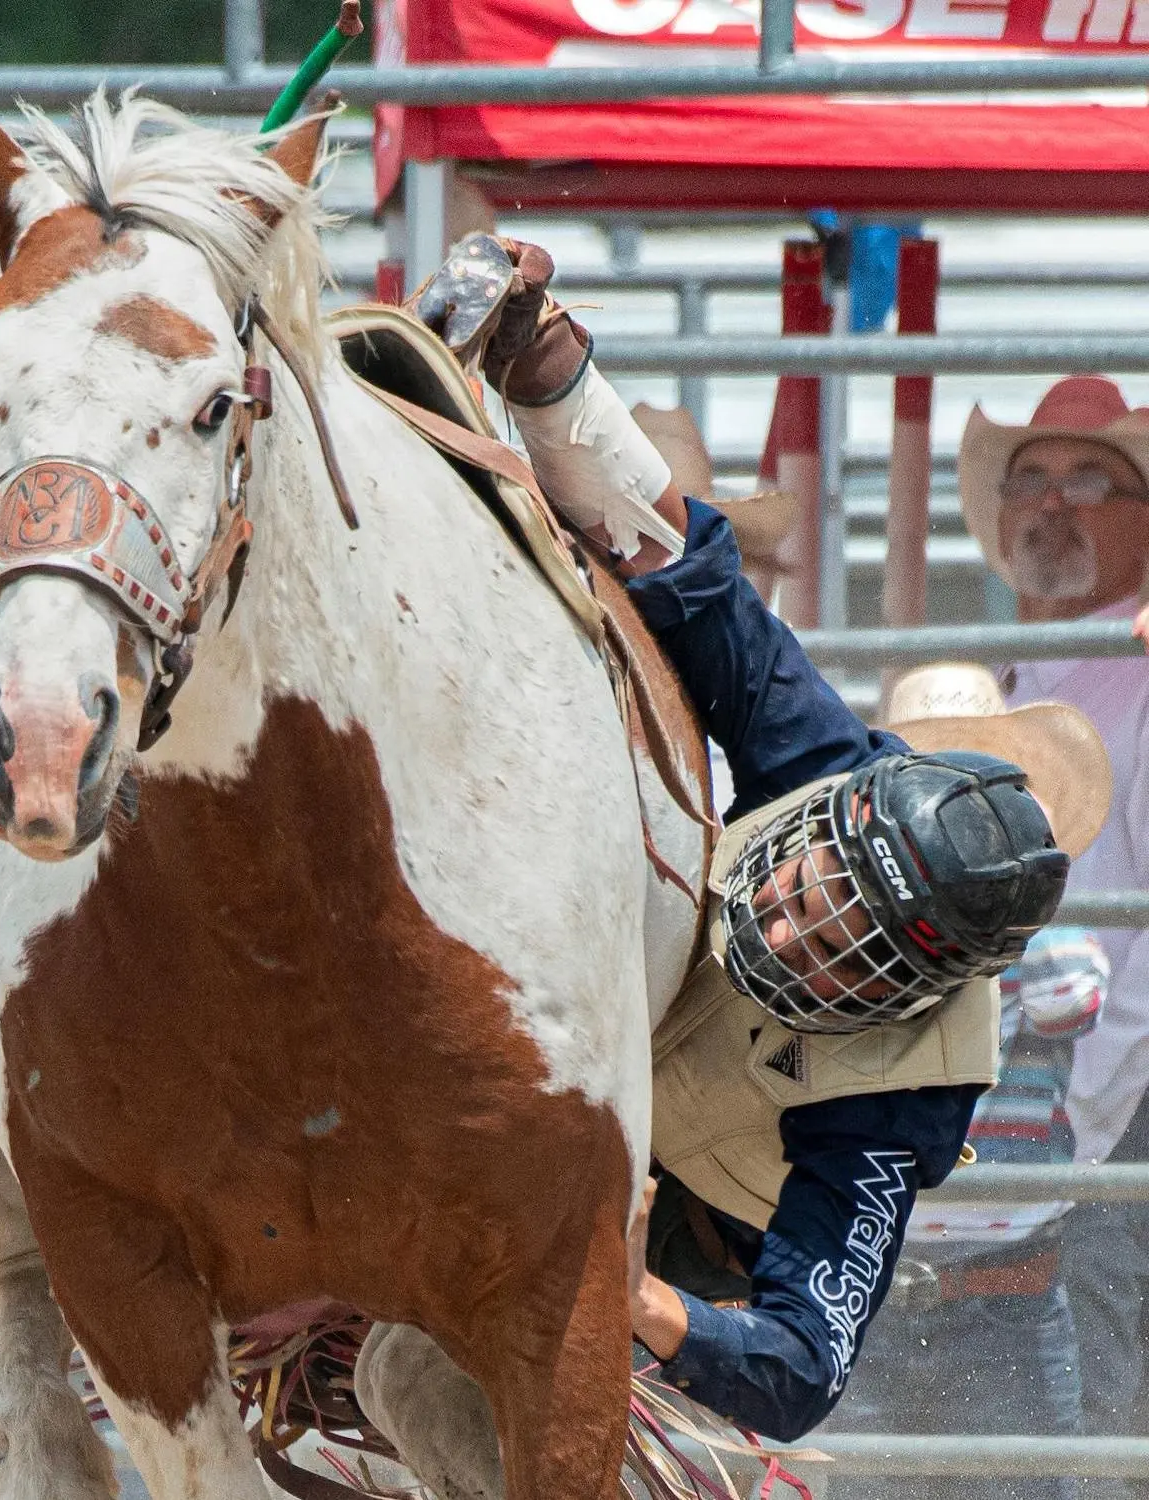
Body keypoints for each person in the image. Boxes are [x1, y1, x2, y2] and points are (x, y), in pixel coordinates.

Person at [416, 236, 1073, 1441]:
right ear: (842, 814)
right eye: (810, 886)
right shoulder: (827, 761)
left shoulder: (895, 1110)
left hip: (678, 1219)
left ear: (908, 988)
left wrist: (629, 1294)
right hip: (573, 1055)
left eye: (835, 948)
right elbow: (694, 573)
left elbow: (799, 1368)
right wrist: (549, 363)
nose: (779, 921)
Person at [821, 664, 1112, 1500]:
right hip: (879, 1282)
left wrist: (1010, 880)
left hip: (1004, 1293)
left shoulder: (1034, 929)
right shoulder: (861, 931)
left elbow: (1074, 992)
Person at [958, 376, 1149, 1453]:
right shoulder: (992, 679)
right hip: (1014, 1135)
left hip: (1103, 1132)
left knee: (1085, 1437)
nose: (1050, 503)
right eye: (1028, 478)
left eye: (1089, 479)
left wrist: (1084, 1130)